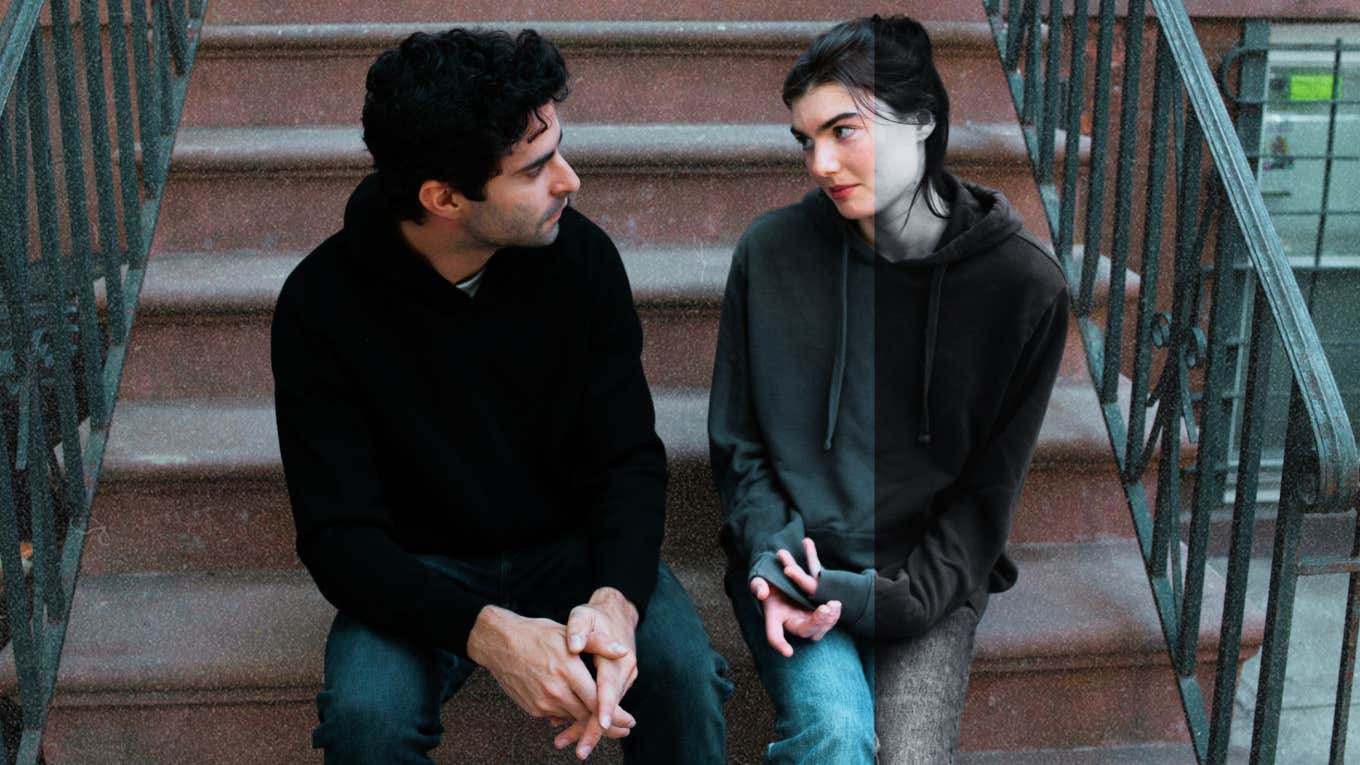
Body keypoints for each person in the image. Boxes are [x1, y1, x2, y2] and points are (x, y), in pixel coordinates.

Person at [272, 27, 731, 764]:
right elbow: (338, 535)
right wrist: (486, 631)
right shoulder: (321, 305)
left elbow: (630, 460)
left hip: (574, 549)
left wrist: (614, 597)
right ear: (444, 196)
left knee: (683, 676)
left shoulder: (581, 260)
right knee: (367, 720)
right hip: (421, 566)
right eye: (536, 168)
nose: (569, 181)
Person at [709, 15, 1069, 764]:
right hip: (797, 563)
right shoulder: (771, 253)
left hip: (926, 580)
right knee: (837, 733)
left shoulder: (1022, 287)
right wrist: (775, 568)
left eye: (843, 130)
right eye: (806, 141)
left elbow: (984, 501)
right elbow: (740, 447)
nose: (819, 162)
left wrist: (890, 599)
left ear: (924, 120)